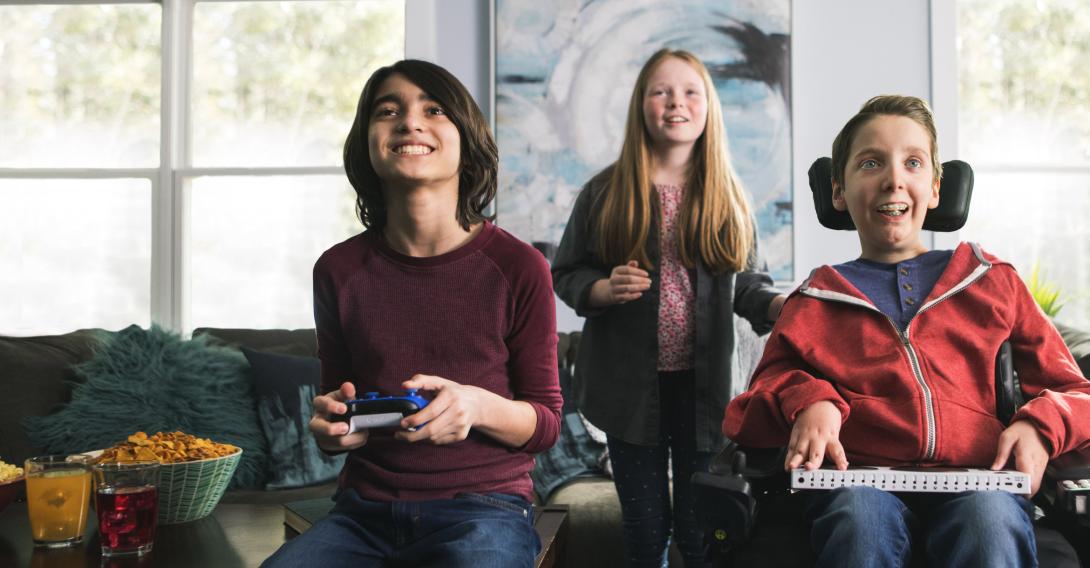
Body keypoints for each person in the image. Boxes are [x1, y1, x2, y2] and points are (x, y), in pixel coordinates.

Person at [723, 95, 1090, 567]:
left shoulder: (992, 280)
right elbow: (748, 411)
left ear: (936, 189)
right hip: (856, 481)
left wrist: (1039, 427)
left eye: (913, 163)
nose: (894, 178)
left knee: (987, 522)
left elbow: (1076, 392)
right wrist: (809, 399)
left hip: (978, 480)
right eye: (871, 162)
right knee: (860, 519)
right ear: (838, 190)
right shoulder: (813, 300)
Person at [261, 59, 563, 568]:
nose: (410, 122)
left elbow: (546, 422)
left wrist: (476, 406)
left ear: (467, 142)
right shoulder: (337, 270)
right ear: (367, 145)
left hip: (484, 510)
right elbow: (339, 406)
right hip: (362, 513)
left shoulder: (519, 267)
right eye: (388, 110)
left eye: (434, 109)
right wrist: (333, 428)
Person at [552, 48, 787, 568]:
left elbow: (749, 284)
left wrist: (779, 307)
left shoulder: (728, 196)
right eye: (661, 91)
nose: (675, 103)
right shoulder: (603, 193)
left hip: (706, 391)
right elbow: (567, 273)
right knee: (644, 527)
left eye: (689, 92)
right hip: (626, 388)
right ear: (641, 105)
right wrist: (602, 290)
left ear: (708, 109)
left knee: (700, 528)